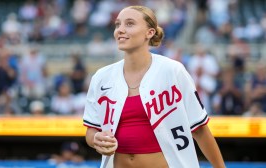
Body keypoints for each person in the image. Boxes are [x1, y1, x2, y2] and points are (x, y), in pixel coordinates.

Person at [83, 5, 225, 168]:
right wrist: (96, 140)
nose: (120, 30)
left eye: (129, 24)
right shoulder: (101, 77)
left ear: (149, 32)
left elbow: (199, 129)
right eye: (117, 24)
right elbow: (91, 131)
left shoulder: (173, 70)